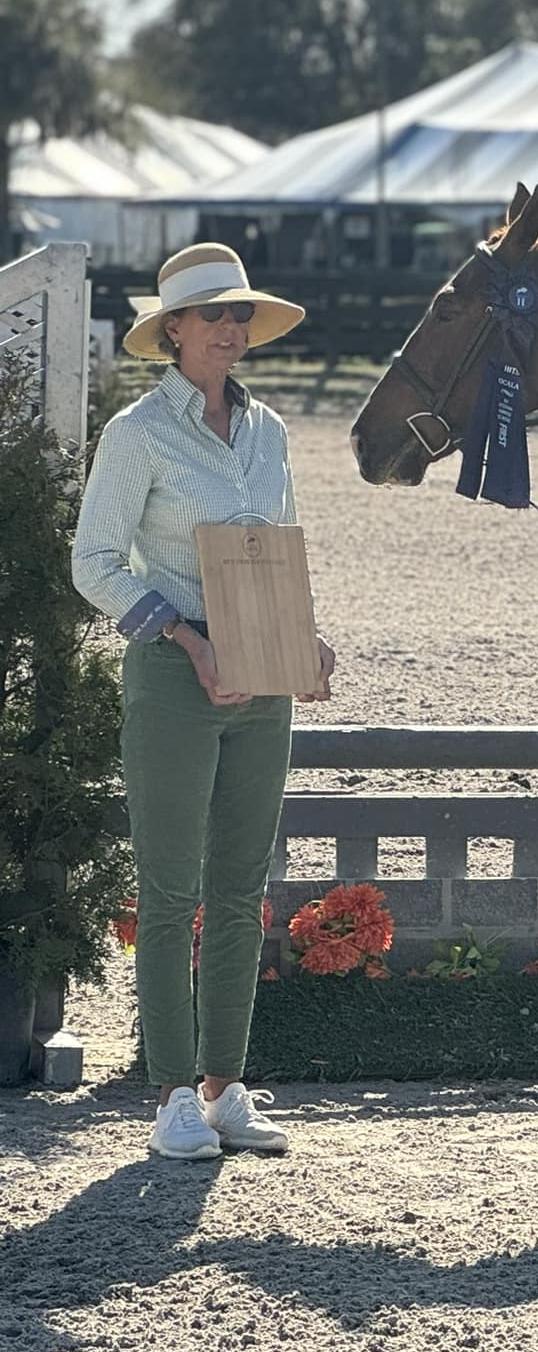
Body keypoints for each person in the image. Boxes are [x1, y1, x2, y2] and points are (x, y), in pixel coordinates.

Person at [72, 242, 335, 1162]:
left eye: (240, 317)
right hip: (174, 681)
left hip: (264, 683)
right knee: (171, 888)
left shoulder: (270, 434)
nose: (231, 328)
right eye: (213, 315)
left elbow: (280, 547)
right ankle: (172, 1097)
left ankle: (227, 1089)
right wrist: (187, 639)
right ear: (172, 330)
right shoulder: (138, 433)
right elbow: (93, 564)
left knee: (240, 890)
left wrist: (306, 640)